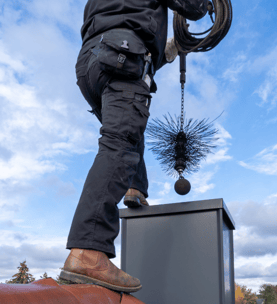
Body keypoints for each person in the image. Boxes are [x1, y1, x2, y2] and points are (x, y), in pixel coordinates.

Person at [60, 0, 208, 294]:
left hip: (93, 62)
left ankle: (135, 188)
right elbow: (193, 6)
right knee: (121, 142)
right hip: (121, 56)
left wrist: (169, 48)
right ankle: (88, 251)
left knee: (127, 129)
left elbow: (127, 21)